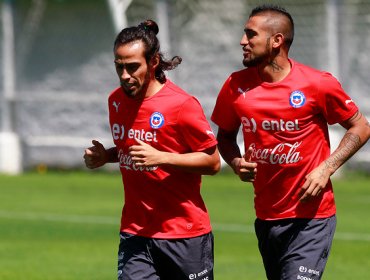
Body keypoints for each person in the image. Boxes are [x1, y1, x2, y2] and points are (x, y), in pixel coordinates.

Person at [211, 4, 370, 280]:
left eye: (251, 35)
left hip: (312, 218)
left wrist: (326, 168)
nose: (242, 42)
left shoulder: (318, 83)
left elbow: (361, 126)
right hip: (267, 217)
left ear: (276, 41)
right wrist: (236, 162)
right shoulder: (235, 85)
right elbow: (224, 137)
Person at [83, 19, 220, 280]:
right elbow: (131, 148)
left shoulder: (181, 104)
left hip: (184, 233)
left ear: (153, 62)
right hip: (136, 231)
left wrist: (162, 158)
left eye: (133, 67)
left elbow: (212, 162)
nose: (125, 75)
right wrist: (107, 156)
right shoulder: (115, 101)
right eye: (119, 67)